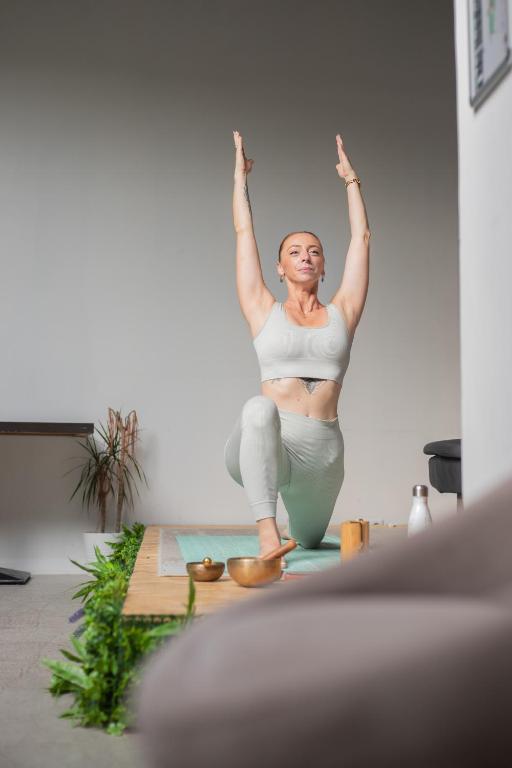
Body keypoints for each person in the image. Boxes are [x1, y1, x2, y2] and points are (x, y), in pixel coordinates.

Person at [224, 130, 370, 566]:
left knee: (308, 541)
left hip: (322, 458)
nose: (305, 257)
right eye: (294, 251)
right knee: (257, 409)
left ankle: (290, 529)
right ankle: (267, 534)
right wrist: (239, 179)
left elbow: (361, 240)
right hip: (272, 442)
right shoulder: (262, 309)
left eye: (314, 252)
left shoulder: (344, 310)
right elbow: (243, 230)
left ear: (324, 267)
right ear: (280, 266)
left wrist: (351, 182)